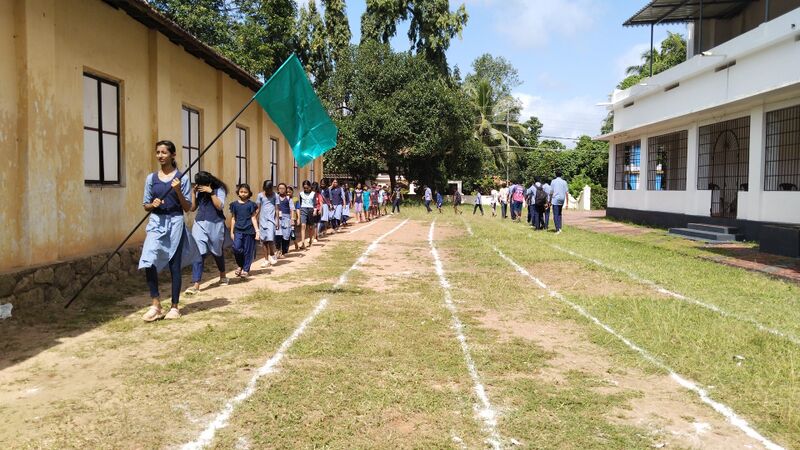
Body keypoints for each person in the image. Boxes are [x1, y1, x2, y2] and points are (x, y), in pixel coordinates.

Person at [139, 140, 200, 322]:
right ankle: (156, 304)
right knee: (148, 260)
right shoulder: (151, 178)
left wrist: (177, 190)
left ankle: (174, 306)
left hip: (175, 222)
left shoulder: (182, 178)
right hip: (156, 222)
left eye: (164, 152)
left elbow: (188, 207)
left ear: (173, 155)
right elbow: (145, 205)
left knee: (174, 264)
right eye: (158, 152)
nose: (160, 156)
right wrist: (153, 204)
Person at [185, 170, 229, 296]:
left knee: (217, 251)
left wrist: (211, 193)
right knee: (199, 253)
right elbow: (192, 208)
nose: (200, 187)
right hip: (199, 223)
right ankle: (196, 285)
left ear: (208, 182)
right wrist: (193, 194)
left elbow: (219, 206)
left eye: (202, 184)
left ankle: (222, 275)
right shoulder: (199, 191)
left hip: (215, 223)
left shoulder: (220, 189)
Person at [230, 183, 259, 277]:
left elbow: (254, 218)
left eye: (245, 192)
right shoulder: (234, 205)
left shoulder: (251, 205)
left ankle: (245, 269)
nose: (243, 193)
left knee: (248, 250)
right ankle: (240, 265)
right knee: (236, 248)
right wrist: (231, 232)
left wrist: (257, 232)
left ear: (249, 193)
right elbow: (233, 218)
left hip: (249, 230)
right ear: (238, 193)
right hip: (238, 230)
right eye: (241, 192)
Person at [256, 181, 279, 268]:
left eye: (269, 190)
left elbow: (277, 209)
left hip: (271, 220)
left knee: (270, 238)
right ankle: (266, 260)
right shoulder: (260, 195)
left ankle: (272, 254)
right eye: (266, 190)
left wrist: (277, 221)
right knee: (264, 240)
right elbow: (258, 208)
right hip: (262, 220)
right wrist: (254, 219)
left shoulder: (275, 195)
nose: (268, 192)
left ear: (271, 189)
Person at [276, 183, 294, 257]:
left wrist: (292, 219)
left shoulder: (288, 198)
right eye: (280, 188)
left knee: (285, 235)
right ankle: (278, 250)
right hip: (277, 218)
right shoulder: (276, 197)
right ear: (278, 189)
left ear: (286, 189)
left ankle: (284, 251)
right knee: (277, 235)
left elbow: (292, 209)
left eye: (283, 188)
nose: (281, 190)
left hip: (286, 218)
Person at [550, 170, 569, 234]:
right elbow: (566, 192)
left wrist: (549, 200)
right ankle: (560, 227)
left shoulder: (553, 181)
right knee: (559, 213)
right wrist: (567, 203)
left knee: (555, 214)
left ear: (555, 175)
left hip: (555, 199)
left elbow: (551, 192)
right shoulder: (564, 182)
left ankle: (557, 229)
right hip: (562, 199)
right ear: (561, 175)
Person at [298, 180, 315, 248]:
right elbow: (300, 202)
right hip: (303, 209)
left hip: (311, 210)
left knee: (310, 227)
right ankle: (302, 242)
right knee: (303, 225)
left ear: (310, 187)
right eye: (304, 188)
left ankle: (310, 240)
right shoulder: (301, 194)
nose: (306, 189)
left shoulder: (313, 194)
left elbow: (314, 203)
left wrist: (315, 210)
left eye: (307, 188)